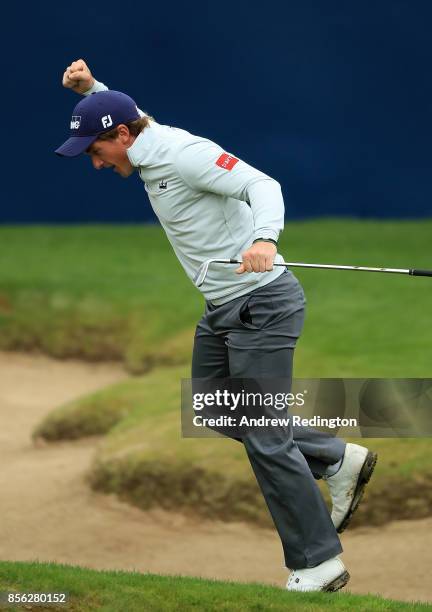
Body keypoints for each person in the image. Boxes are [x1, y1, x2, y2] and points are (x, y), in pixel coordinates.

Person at [55, 59, 377, 592]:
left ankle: (317, 564)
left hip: (262, 305)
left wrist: (265, 240)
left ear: (119, 137)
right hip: (223, 309)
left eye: (96, 151)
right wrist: (94, 90)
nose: (96, 164)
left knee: (266, 436)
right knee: (211, 406)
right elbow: (129, 118)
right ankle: (336, 458)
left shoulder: (184, 155)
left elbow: (262, 184)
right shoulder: (143, 136)